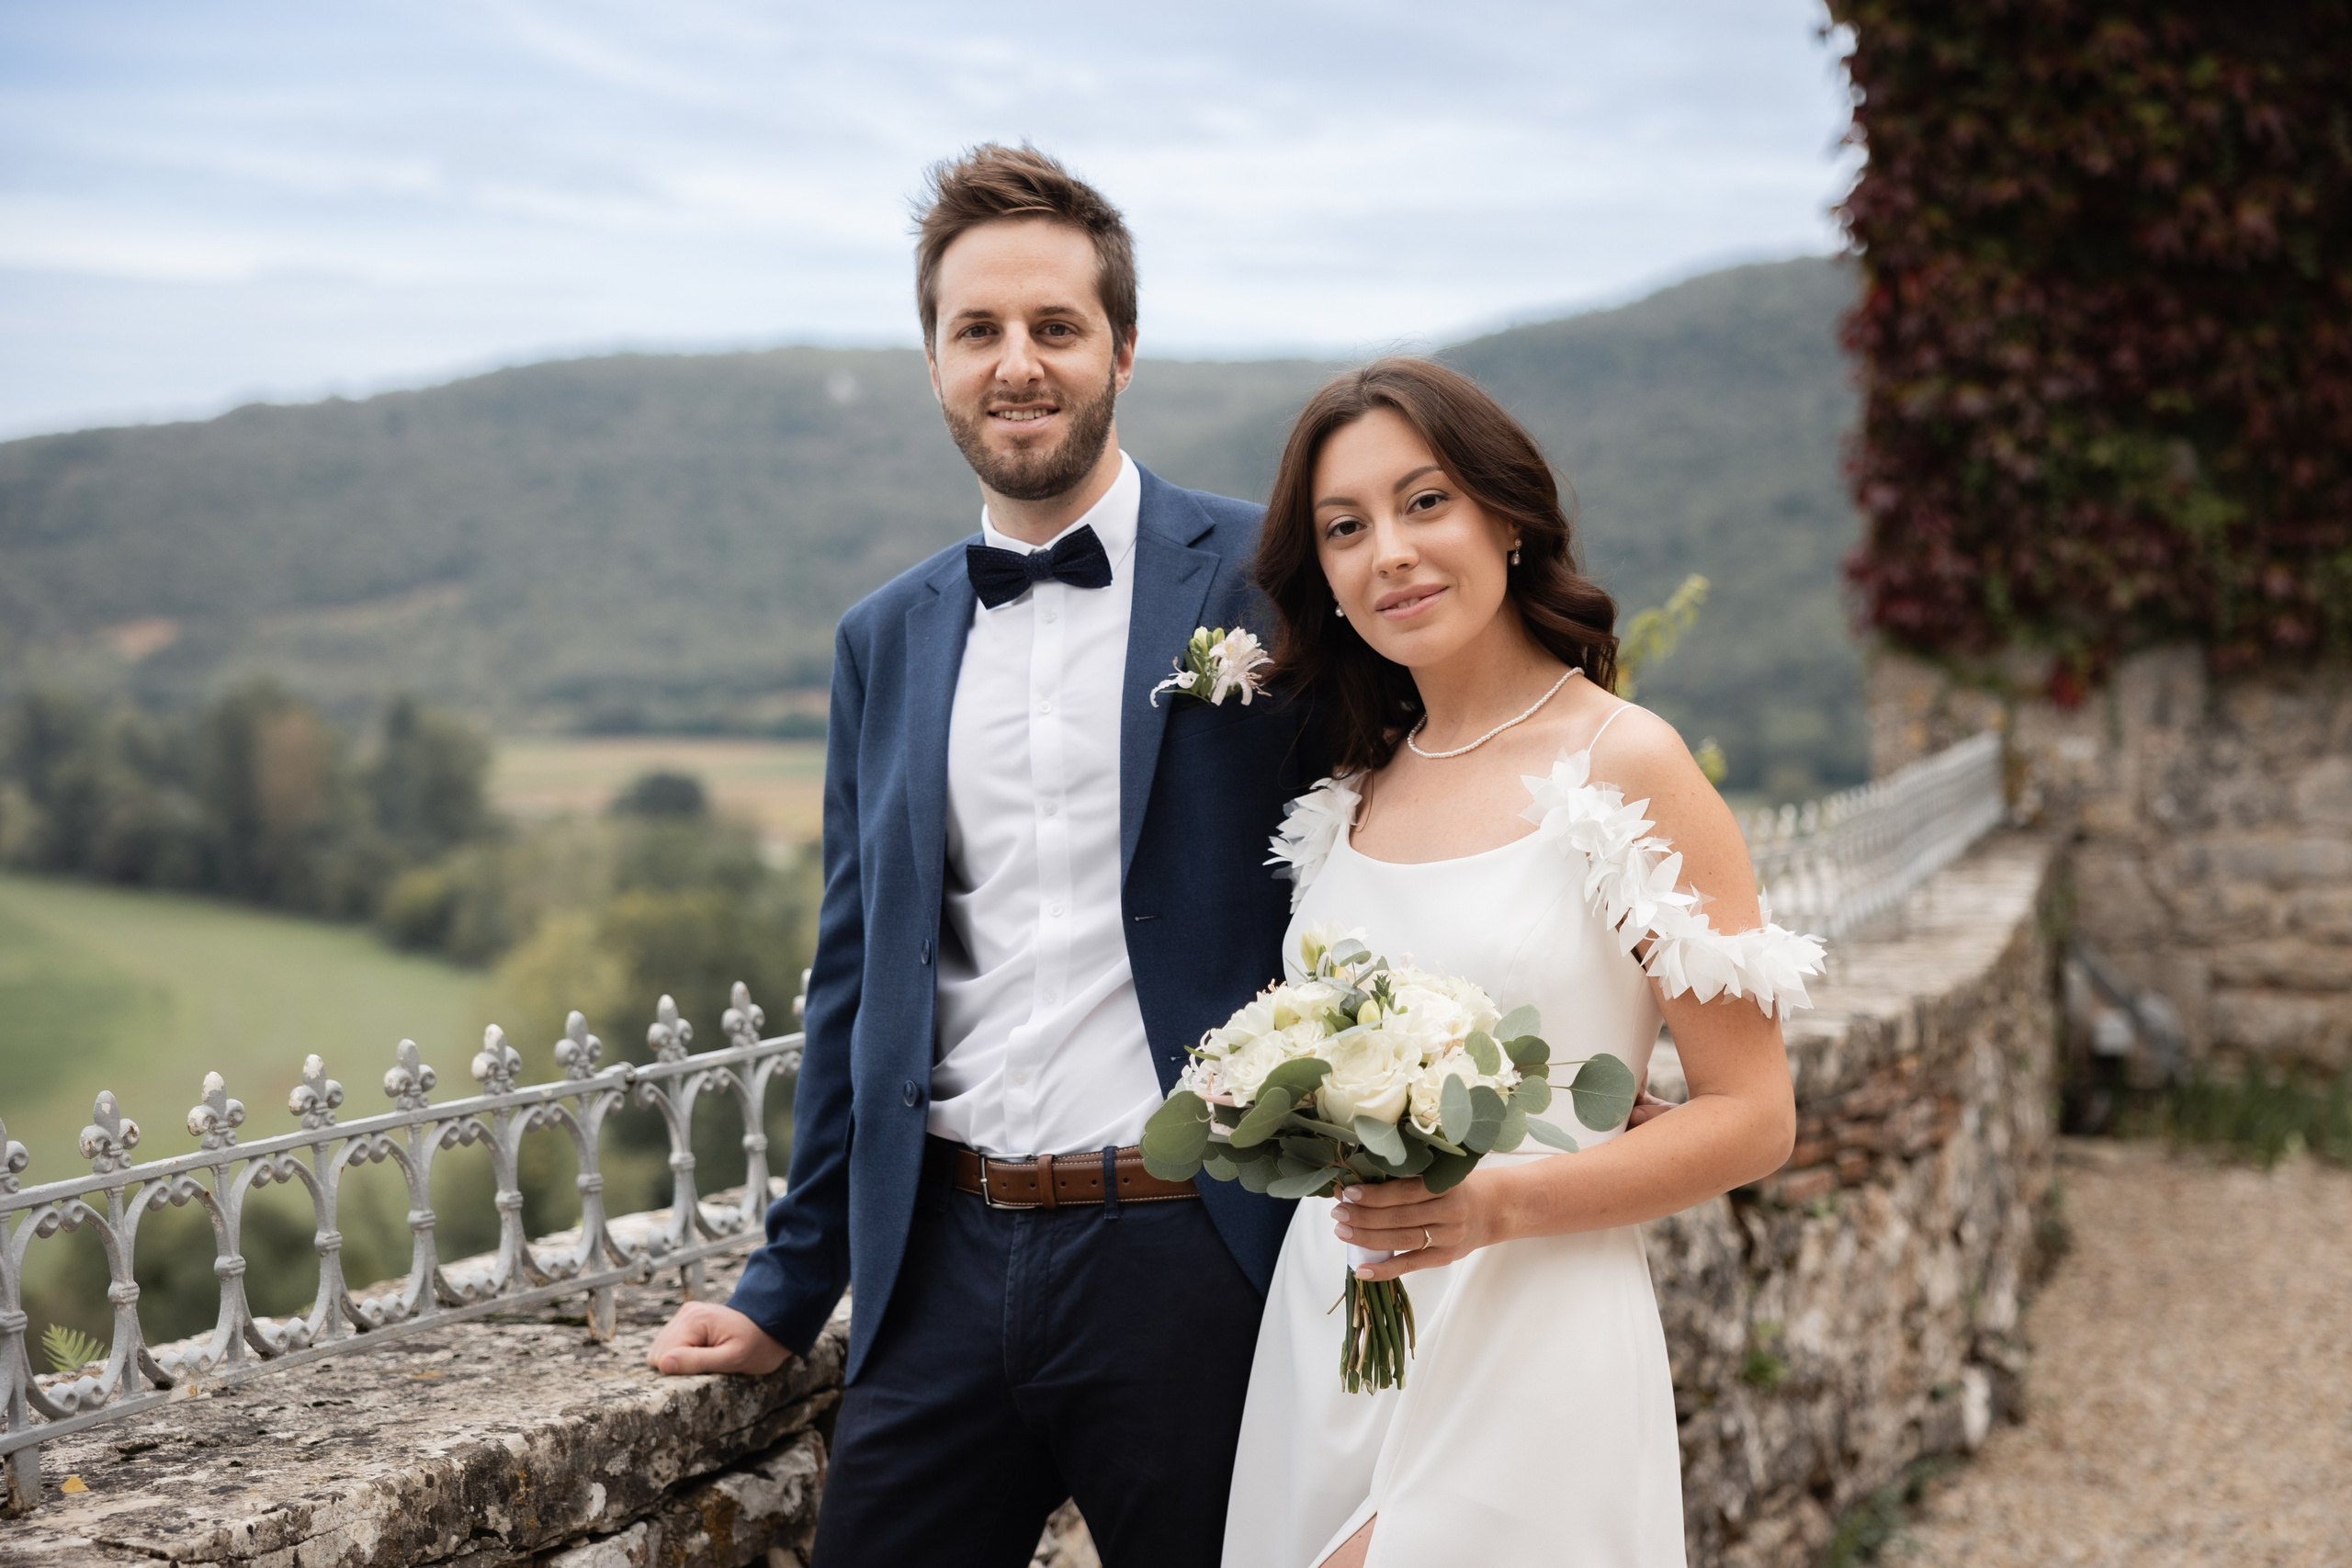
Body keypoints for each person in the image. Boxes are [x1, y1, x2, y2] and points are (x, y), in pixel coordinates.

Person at [642, 143, 1315, 1567]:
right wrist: (786, 1283)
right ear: (935, 361)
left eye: (1055, 327)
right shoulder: (881, 640)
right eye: (979, 332)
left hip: (1192, 1249)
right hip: (940, 1261)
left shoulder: (1276, 582)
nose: (1019, 364)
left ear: (1123, 349)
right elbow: (855, 978)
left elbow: (1435, 808)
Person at [1221, 358, 1819, 1568]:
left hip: (1535, 1334)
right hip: (1333, 1328)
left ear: (1509, 520)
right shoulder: (1348, 797)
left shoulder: (1627, 765)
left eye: (1425, 502)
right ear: (1323, 577)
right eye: (1347, 527)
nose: (1389, 550)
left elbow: (1755, 1118)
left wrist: (1497, 1201)